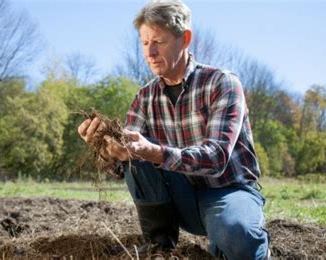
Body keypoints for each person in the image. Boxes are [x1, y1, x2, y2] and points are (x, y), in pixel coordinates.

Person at [78, 1, 270, 259]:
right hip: (178, 198)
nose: (150, 52)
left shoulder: (222, 83)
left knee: (236, 235)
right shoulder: (144, 98)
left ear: (185, 39)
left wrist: (154, 152)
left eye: (159, 41)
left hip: (227, 191)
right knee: (137, 154)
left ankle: (236, 242)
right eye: (145, 43)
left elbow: (217, 157)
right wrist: (106, 149)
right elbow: (127, 165)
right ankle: (159, 247)